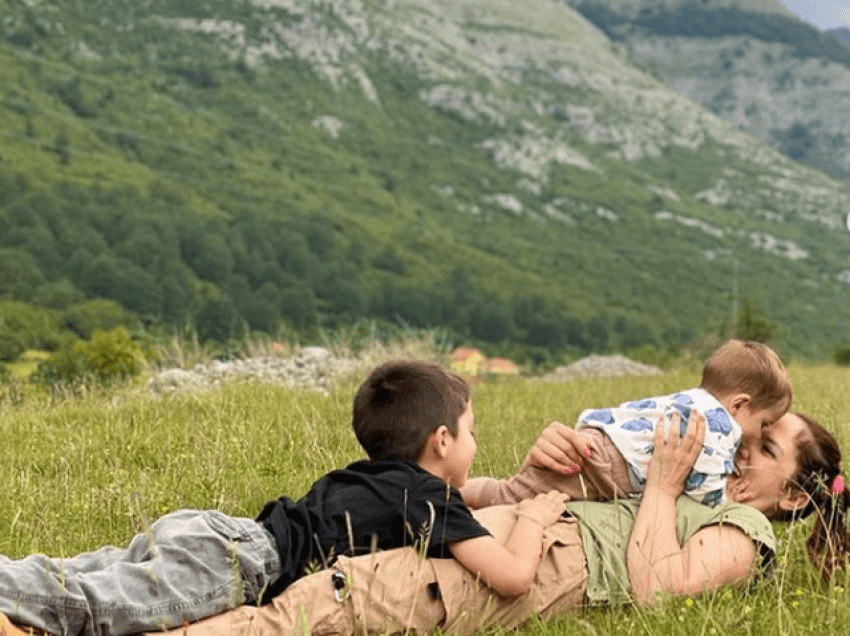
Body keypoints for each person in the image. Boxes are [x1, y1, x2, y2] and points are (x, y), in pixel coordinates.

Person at [17, 409, 835, 636]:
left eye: (764, 448)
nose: (741, 451)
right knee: (281, 588)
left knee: (319, 606)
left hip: (514, 576)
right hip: (480, 540)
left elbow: (659, 591)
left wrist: (657, 489)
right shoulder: (682, 483)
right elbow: (460, 496)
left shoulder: (748, 538)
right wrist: (540, 474)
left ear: (794, 497)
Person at [0, 360, 567, 636]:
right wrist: (535, 517)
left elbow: (470, 488)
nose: (476, 443)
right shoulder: (427, 500)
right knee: (95, 607)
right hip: (237, 562)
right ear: (442, 441)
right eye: (471, 431)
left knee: (77, 572)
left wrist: (514, 483)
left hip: (220, 533)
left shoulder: (384, 478)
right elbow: (513, 576)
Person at [462, 340, 791, 509]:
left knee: (511, 493)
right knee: (508, 498)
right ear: (740, 405)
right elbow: (704, 488)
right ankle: (449, 495)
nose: (759, 433)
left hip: (601, 443)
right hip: (603, 466)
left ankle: (454, 494)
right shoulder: (718, 426)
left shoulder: (691, 399)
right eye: (763, 424)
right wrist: (725, 502)